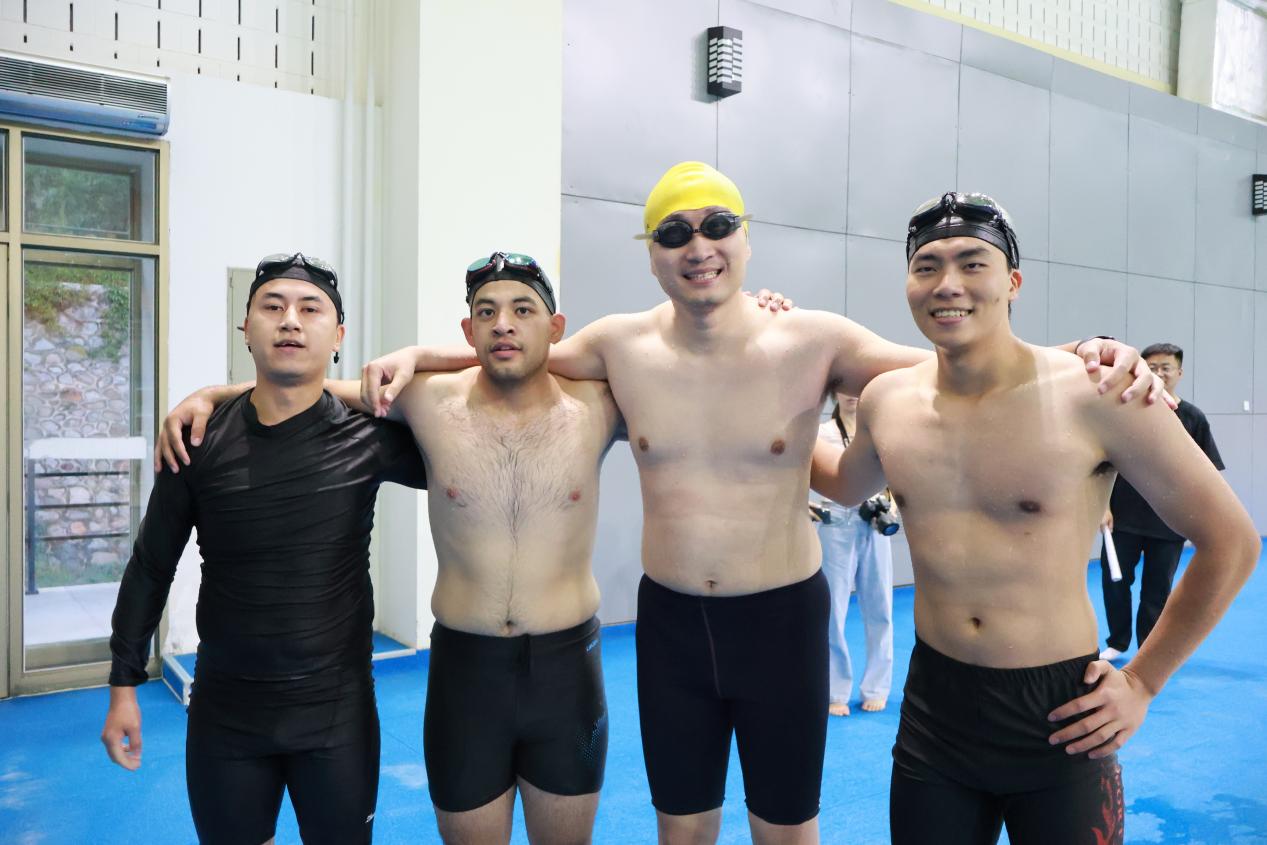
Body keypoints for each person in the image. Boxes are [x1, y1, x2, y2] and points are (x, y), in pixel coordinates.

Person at [358, 163, 1161, 845]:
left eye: (716, 226)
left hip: (780, 623)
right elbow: (515, 348)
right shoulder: (617, 345)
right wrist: (416, 353)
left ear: (745, 238)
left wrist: (1077, 353)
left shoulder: (814, 340)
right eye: (673, 233)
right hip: (672, 625)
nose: (697, 246)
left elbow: (958, 359)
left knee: (785, 827)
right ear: (651, 255)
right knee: (682, 829)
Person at [810, 192, 1259, 845]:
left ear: (1013, 282)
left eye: (972, 263)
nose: (947, 283)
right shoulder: (887, 400)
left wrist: (1141, 681)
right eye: (926, 266)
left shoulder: (1096, 391)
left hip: (1060, 715)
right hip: (936, 709)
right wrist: (767, 408)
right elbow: (842, 482)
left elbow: (1231, 541)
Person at [156, 252, 626, 845]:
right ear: (468, 330)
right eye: (487, 312)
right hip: (466, 671)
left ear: (555, 328)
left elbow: (693, 392)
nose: (504, 324)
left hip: (566, 672)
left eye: (522, 311)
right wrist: (214, 394)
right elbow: (302, 388)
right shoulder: (428, 399)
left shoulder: (600, 405)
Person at [101, 253, 428, 845]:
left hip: (337, 713)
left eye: (310, 309)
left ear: (338, 336)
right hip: (225, 713)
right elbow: (152, 565)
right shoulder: (197, 439)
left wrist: (417, 358)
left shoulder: (370, 438)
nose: (290, 321)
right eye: (272, 307)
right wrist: (123, 684)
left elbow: (479, 407)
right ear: (246, 329)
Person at [1098, 342, 1224, 662]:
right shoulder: (1124, 408)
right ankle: (1118, 641)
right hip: (1123, 517)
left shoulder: (1193, 418)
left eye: (1165, 368)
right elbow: (1103, 465)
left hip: (1170, 521)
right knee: (1114, 582)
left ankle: (1147, 649)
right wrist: (1102, 506)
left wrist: (1199, 519)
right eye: (1151, 367)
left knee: (1157, 591)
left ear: (1179, 373)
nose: (1158, 373)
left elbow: (1208, 474)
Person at [813, 392, 894, 716]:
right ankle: (836, 690)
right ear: (834, 393)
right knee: (833, 610)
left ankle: (877, 687)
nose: (851, 396)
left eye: (857, 390)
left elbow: (894, 475)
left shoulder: (880, 430)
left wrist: (891, 506)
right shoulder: (821, 432)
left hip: (873, 523)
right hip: (835, 523)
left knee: (880, 607)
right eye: (845, 389)